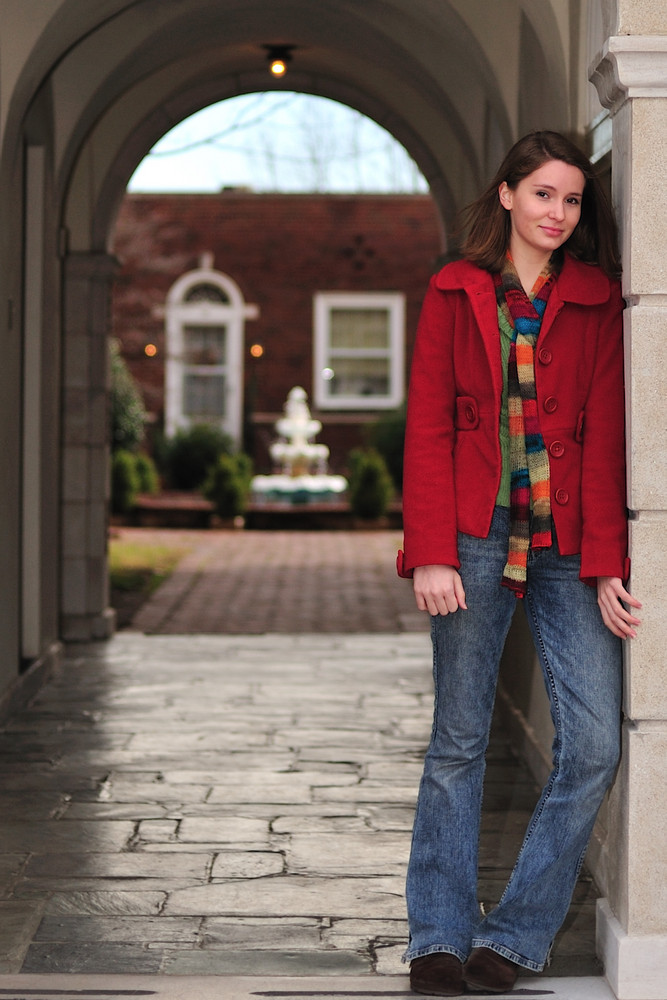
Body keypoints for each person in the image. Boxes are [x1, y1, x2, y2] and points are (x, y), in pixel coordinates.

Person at [397, 130, 641, 996]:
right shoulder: (454, 289)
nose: (557, 214)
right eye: (542, 195)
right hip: (470, 533)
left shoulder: (598, 299)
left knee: (594, 745)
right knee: (458, 743)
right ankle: (436, 936)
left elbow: (609, 438)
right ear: (506, 195)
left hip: (568, 544)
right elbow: (427, 423)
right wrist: (428, 550)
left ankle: (516, 934)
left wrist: (611, 560)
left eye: (572, 201)